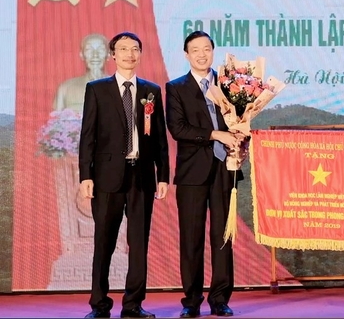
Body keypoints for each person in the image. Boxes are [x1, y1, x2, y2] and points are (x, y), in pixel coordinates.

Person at [78, 32, 169, 318]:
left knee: (139, 242)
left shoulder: (151, 90)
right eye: (123, 49)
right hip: (106, 177)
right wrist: (86, 176)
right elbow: (88, 136)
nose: (130, 54)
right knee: (104, 240)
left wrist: (163, 176)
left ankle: (133, 305)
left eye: (135, 49)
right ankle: (99, 304)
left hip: (141, 175)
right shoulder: (97, 89)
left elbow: (159, 140)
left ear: (141, 54)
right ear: (113, 55)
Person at [165, 30, 244, 318]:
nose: (201, 54)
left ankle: (220, 298)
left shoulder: (232, 85)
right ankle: (192, 302)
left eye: (206, 49)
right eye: (195, 50)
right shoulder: (176, 88)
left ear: (213, 51)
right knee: (192, 239)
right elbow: (178, 129)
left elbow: (240, 123)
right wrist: (215, 134)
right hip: (192, 173)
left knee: (223, 238)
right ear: (186, 55)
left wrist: (239, 142)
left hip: (226, 169)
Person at [54, 33, 109, 111]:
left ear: (109, 55)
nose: (95, 55)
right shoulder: (65, 88)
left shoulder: (122, 89)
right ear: (82, 55)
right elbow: (56, 120)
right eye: (89, 50)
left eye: (101, 50)